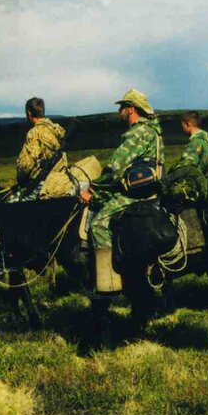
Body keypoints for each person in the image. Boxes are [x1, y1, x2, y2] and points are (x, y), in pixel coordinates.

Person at [78, 88, 164, 293]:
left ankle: (108, 282)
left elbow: (115, 168)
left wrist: (93, 190)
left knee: (99, 223)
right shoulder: (153, 130)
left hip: (135, 193)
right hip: (149, 188)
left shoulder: (138, 132)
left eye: (122, 107)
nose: (120, 112)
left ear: (131, 109)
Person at [11, 97, 68, 201]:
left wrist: (21, 178)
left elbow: (26, 164)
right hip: (61, 179)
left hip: (41, 183)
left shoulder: (34, 133)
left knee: (13, 204)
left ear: (29, 112)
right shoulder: (57, 129)